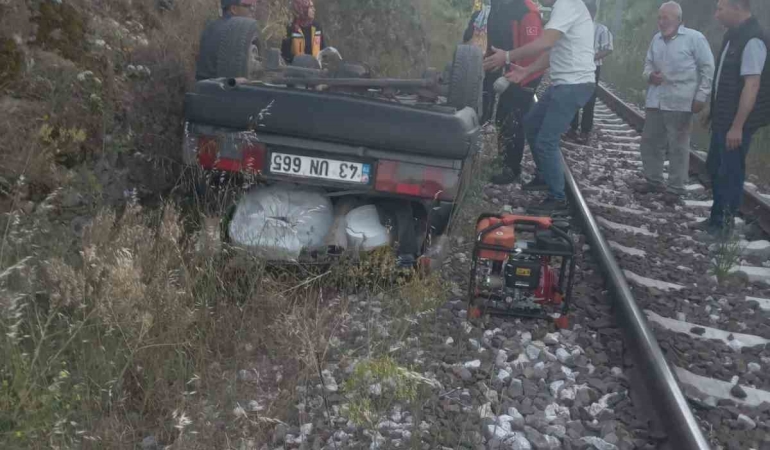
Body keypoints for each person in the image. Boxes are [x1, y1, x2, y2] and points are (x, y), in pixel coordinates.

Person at [491, 0, 597, 214]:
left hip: (573, 85)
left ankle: (558, 198)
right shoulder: (566, 7)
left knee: (546, 141)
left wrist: (508, 56)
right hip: (563, 84)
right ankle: (544, 176)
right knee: (531, 124)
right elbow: (552, 51)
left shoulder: (567, 4)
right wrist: (526, 71)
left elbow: (545, 43)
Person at [699, 0, 769, 238]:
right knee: (716, 167)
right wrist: (714, 110)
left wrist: (738, 126)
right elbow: (724, 78)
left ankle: (723, 227)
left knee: (729, 173)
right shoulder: (734, 36)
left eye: (721, 9)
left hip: (736, 123)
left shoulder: (752, 39)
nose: (716, 14)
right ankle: (715, 220)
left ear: (738, 7)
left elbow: (752, 85)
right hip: (724, 118)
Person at [634, 2, 715, 203]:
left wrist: (701, 96)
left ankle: (676, 188)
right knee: (650, 143)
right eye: (659, 18)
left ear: (678, 19)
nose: (661, 22)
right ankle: (654, 181)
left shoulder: (694, 39)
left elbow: (708, 69)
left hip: (681, 101)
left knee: (678, 146)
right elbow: (647, 65)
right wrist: (650, 76)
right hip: (656, 100)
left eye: (666, 18)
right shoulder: (656, 40)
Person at [477, 0, 545, 186]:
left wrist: (510, 77)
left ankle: (511, 168)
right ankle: (503, 158)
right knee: (502, 116)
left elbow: (533, 51)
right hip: (506, 66)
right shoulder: (499, 5)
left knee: (513, 118)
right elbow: (496, 40)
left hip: (526, 72)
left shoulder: (526, 11)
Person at [568, 1, 613, 142]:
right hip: (576, 66)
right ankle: (572, 127)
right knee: (573, 96)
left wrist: (591, 56)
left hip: (593, 67)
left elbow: (608, 48)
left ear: (593, 13)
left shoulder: (601, 29)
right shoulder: (575, 28)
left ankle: (585, 130)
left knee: (589, 98)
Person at [196, 0, 260, 81]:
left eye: (252, 6)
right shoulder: (235, 33)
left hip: (203, 87)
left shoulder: (210, 27)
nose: (252, 9)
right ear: (234, 9)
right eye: (247, 6)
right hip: (224, 90)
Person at [281, 0, 326, 64]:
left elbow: (323, 49)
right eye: (311, 7)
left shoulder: (317, 27)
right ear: (303, 9)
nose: (314, 10)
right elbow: (285, 54)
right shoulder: (291, 28)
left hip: (316, 70)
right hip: (296, 70)